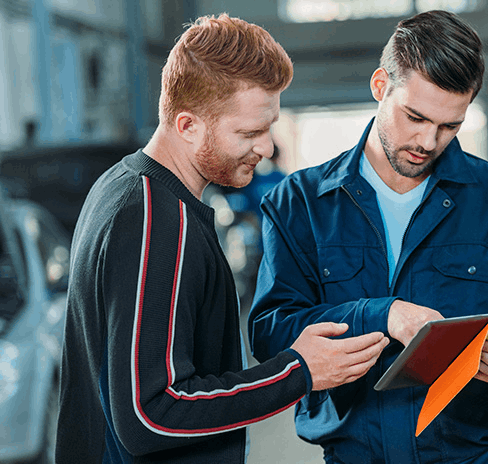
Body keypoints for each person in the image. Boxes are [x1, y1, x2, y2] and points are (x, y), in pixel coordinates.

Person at [249, 9, 488, 464]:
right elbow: (271, 333)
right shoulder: (298, 204)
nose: (429, 142)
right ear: (380, 86)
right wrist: (380, 315)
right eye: (415, 117)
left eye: (450, 125)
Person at [56, 14, 389, 464]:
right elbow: (151, 413)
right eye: (249, 133)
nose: (268, 148)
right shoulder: (153, 219)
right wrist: (299, 370)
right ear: (187, 125)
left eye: (269, 127)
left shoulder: (124, 187)